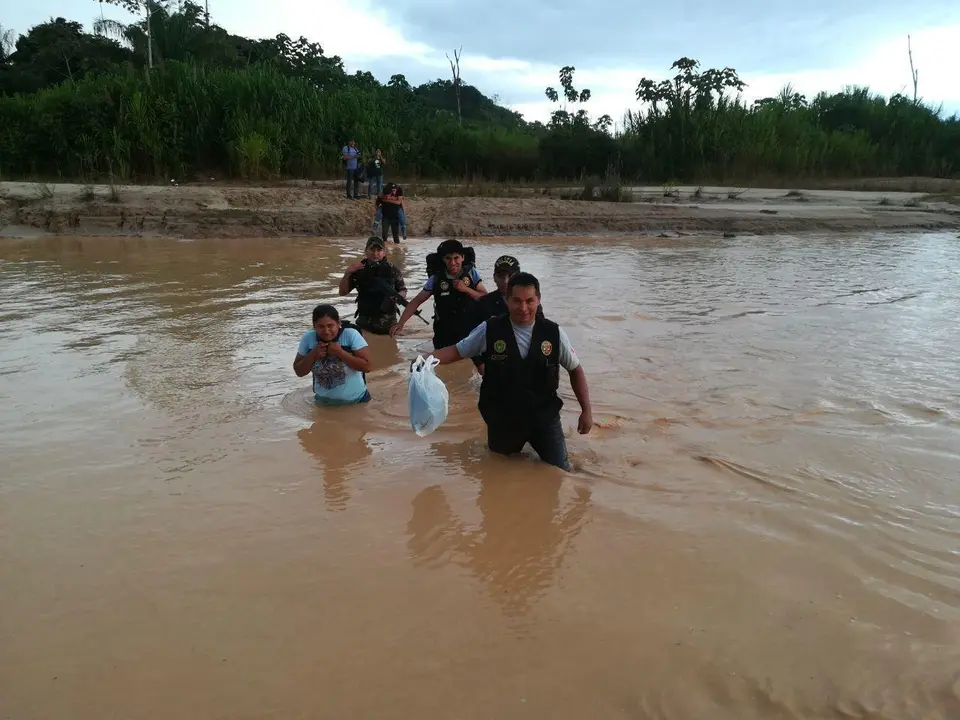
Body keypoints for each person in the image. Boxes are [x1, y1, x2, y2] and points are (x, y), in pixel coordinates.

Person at [429, 272, 593, 471]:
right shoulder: (489, 329)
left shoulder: (554, 333)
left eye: (529, 301)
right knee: (498, 472)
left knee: (561, 472)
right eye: (516, 301)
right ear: (506, 300)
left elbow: (575, 369)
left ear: (538, 300)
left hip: (544, 418)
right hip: (502, 419)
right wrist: (426, 360)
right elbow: (457, 351)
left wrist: (586, 411)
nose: (523, 308)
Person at [390, 239, 487, 349]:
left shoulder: (471, 273)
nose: (453, 263)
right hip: (444, 333)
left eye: (456, 258)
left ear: (462, 258)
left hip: (470, 331)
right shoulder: (436, 278)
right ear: (443, 259)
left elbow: (485, 298)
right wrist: (401, 323)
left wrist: (466, 289)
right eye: (448, 258)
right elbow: (416, 301)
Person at [293, 304, 373, 406]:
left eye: (330, 326)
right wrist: (313, 354)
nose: (326, 331)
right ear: (314, 326)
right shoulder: (308, 338)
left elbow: (367, 367)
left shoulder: (350, 335)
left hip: (358, 402)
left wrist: (340, 352)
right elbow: (299, 372)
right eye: (321, 327)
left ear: (339, 323)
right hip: (323, 402)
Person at [338, 236, 407, 335]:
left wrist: (399, 297)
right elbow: (342, 293)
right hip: (363, 325)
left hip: (389, 327)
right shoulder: (358, 270)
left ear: (384, 252)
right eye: (372, 250)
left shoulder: (392, 269)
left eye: (379, 250)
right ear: (366, 251)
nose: (375, 254)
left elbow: (403, 289)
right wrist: (347, 274)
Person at [472, 254, 545, 325]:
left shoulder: (531, 303)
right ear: (494, 278)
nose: (505, 281)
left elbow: (542, 330)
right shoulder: (483, 304)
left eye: (510, 276)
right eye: (500, 276)